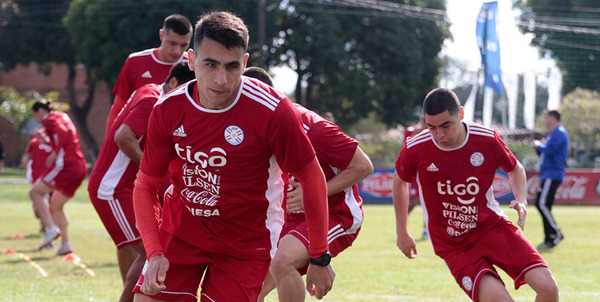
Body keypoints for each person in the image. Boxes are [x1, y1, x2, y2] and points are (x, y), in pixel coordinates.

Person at [131, 11, 334, 302]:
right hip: (182, 231)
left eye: (232, 66)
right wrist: (155, 252)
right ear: (191, 60)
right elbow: (146, 186)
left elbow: (312, 178)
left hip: (246, 243)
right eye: (210, 64)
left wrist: (319, 256)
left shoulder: (272, 110)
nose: (221, 79)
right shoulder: (168, 109)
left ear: (245, 63)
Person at [393, 88, 558, 302]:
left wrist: (521, 199)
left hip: (492, 226)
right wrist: (402, 232)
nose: (439, 135)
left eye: (445, 126)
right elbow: (399, 182)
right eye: (431, 127)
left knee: (549, 288)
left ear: (461, 114)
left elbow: (515, 168)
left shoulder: (485, 139)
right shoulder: (417, 147)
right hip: (454, 244)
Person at [242, 67, 373, 302]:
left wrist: (313, 194)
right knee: (250, 289)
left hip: (336, 213)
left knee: (282, 262)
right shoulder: (251, 126)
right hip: (287, 216)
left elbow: (363, 166)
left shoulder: (313, 128)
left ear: (266, 95)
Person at [88, 61, 195, 302]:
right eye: (188, 90)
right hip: (112, 188)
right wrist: (152, 169)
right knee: (151, 252)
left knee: (151, 251)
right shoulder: (154, 99)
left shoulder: (150, 90)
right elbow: (123, 137)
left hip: (123, 187)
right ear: (174, 83)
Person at [107, 14, 193, 133]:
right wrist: (109, 142)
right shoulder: (135, 62)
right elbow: (118, 107)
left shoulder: (193, 66)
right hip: (137, 139)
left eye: (184, 45)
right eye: (172, 43)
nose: (177, 51)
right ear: (161, 35)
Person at [30, 99, 87, 256]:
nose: (37, 120)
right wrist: (48, 142)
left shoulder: (49, 119)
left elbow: (61, 132)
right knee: (55, 206)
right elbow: (63, 137)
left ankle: (50, 229)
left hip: (66, 166)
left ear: (40, 111)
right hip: (79, 166)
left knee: (35, 192)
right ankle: (66, 245)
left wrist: (55, 153)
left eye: (35, 116)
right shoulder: (63, 115)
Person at [532, 109, 568, 249]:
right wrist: (539, 148)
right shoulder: (554, 133)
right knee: (544, 205)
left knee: (541, 204)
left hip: (552, 174)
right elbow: (546, 151)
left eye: (546, 117)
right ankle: (549, 238)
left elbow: (550, 149)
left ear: (552, 118)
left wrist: (539, 145)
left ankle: (556, 233)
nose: (545, 120)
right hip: (549, 173)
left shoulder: (559, 132)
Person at [21, 131, 54, 234]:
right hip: (43, 178)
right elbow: (25, 159)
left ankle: (49, 228)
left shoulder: (52, 144)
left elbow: (25, 160)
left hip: (48, 178)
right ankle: (47, 225)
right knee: (41, 208)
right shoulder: (34, 143)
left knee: (46, 206)